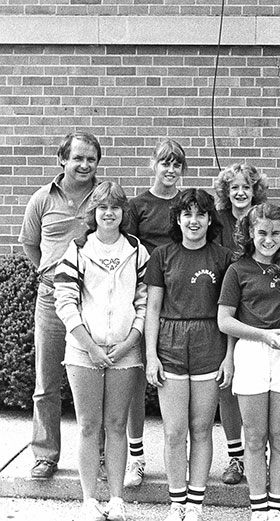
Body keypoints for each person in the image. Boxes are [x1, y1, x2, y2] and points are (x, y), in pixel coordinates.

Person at [54, 181, 149, 521]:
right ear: (93, 213)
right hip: (83, 352)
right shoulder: (78, 248)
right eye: (102, 208)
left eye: (116, 207)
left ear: (123, 212)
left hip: (125, 351)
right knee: (89, 425)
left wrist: (130, 341)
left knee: (116, 424)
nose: (109, 213)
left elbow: (144, 301)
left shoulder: (137, 250)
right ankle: (89, 500)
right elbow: (64, 302)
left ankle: (117, 499)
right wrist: (90, 346)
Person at [144, 189, 232, 521]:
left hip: (210, 341)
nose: (193, 221)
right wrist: (151, 355)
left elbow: (230, 312)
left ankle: (195, 504)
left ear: (210, 220)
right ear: (177, 219)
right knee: (174, 430)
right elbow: (152, 308)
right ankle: (176, 502)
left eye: (200, 215)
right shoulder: (162, 256)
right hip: (171, 342)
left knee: (202, 428)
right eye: (187, 214)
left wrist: (229, 356)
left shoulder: (223, 258)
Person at [19, 131, 101, 480]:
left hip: (96, 301)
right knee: (46, 382)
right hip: (52, 301)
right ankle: (46, 454)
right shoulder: (41, 199)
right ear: (62, 159)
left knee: (99, 379)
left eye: (91, 159)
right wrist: (51, 273)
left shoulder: (105, 197)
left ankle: (97, 454)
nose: (84, 164)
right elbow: (30, 245)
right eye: (78, 157)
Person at [217, 203, 280, 521]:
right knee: (254, 438)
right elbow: (225, 321)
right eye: (262, 233)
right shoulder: (237, 270)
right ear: (250, 234)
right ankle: (258, 509)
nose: (269, 239)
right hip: (252, 352)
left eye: (275, 233)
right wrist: (263, 336)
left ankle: (277, 508)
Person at [124, 138, 187, 489]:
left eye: (177, 164)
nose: (170, 169)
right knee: (135, 381)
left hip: (181, 301)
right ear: (153, 164)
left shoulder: (187, 204)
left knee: (179, 383)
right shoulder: (138, 206)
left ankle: (181, 455)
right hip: (145, 296)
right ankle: (136, 458)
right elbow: (128, 252)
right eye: (165, 163)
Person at [213, 162, 269, 485]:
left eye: (246, 187)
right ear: (226, 191)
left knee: (257, 385)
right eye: (234, 187)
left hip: (256, 304)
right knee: (227, 383)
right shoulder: (218, 221)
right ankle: (236, 457)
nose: (240, 192)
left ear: (255, 190)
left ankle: (257, 451)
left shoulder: (263, 220)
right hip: (222, 302)